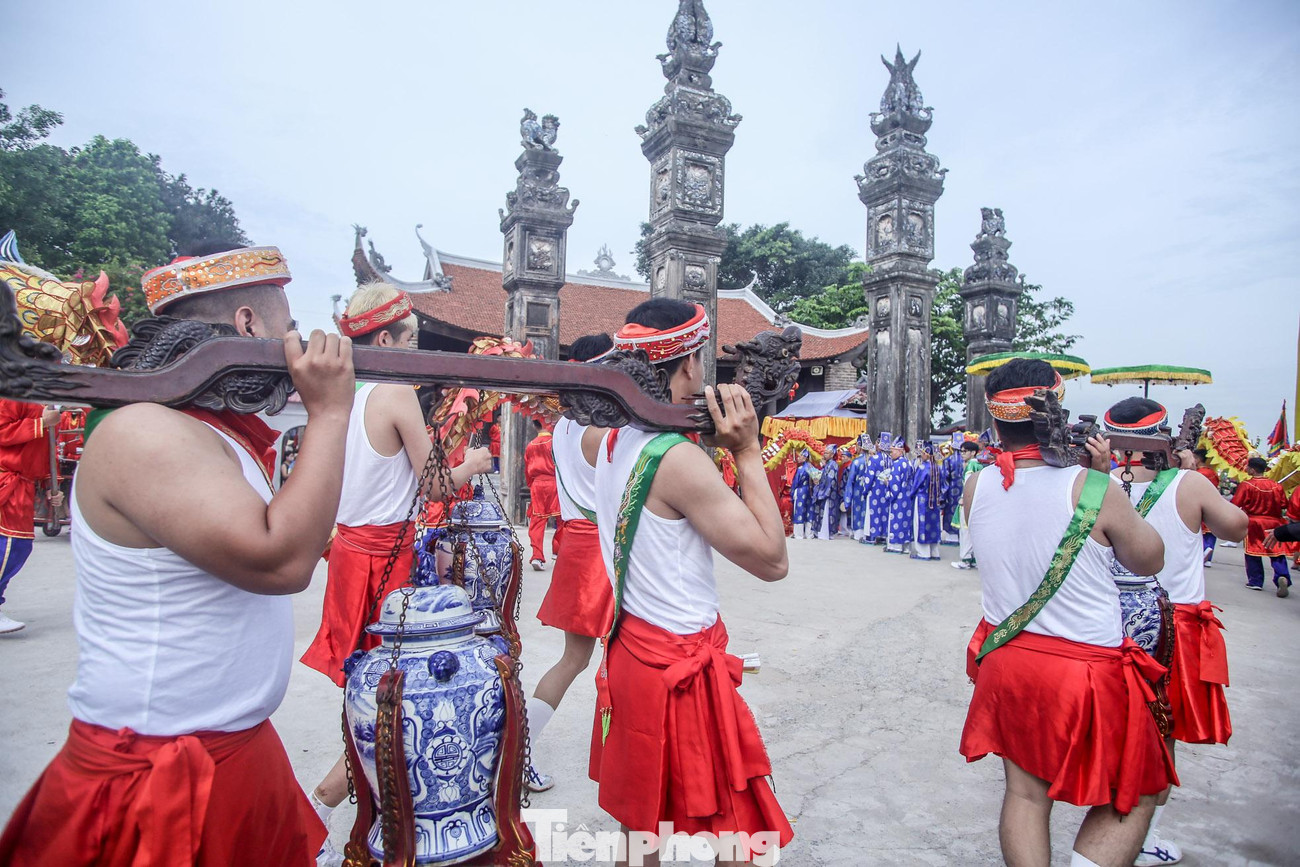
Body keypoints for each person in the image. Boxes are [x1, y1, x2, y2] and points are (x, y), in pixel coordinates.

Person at [0, 243, 352, 865]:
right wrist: (328, 413)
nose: (297, 345)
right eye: (289, 329)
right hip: (162, 772)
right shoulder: (147, 430)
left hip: (230, 751)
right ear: (247, 326)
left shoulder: (206, 431)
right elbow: (280, 561)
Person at [588, 298, 793, 866]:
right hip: (680, 664)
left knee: (642, 828)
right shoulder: (674, 457)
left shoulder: (609, 441)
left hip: (633, 650)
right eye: (699, 362)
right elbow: (772, 560)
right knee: (731, 832)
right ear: (686, 366)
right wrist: (749, 450)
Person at [959, 358, 1174, 867]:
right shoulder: (1093, 488)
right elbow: (1149, 559)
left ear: (995, 422)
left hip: (1008, 660)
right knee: (1138, 789)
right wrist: (1104, 482)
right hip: (1084, 667)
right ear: (1056, 412)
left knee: (1026, 796)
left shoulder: (978, 486)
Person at [301, 281, 490, 860]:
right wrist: (475, 462)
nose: (414, 350)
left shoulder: (338, 395)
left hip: (348, 553)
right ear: (385, 338)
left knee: (366, 679)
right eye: (410, 338)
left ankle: (357, 797)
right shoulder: (394, 390)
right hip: (388, 557)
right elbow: (433, 483)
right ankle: (328, 800)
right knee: (394, 689)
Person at [1100, 397, 1249, 866]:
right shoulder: (1188, 485)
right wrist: (1193, 473)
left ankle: (1112, 811)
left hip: (1107, 622)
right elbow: (1237, 528)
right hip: (1172, 626)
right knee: (1161, 736)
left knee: (1120, 727)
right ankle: (1142, 835)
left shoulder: (1095, 483)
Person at [529, 333, 616, 794]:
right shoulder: (604, 433)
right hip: (604, 549)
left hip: (577, 547)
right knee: (620, 661)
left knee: (573, 659)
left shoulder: (562, 426)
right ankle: (629, 757)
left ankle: (521, 749)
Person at [0, 398, 64, 633]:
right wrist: (40, 423)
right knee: (11, 545)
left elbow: (47, 447)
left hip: (23, 484)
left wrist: (51, 484)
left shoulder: (47, 401)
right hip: (7, 477)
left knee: (16, 546)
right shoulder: (13, 394)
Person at [1231, 456, 1295, 595]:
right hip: (1274, 522)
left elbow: (1236, 503)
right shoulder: (1276, 486)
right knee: (1276, 553)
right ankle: (1282, 576)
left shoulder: (1247, 485)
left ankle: (1256, 581)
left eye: (1248, 466)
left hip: (1254, 522)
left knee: (1252, 553)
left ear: (1252, 470)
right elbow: (1284, 504)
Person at [525, 417, 561, 571]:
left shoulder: (530, 445)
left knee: (537, 521)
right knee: (562, 519)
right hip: (555, 483)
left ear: (535, 426)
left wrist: (531, 485)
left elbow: (527, 470)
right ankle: (557, 550)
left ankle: (537, 556)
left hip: (537, 485)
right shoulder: (555, 442)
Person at [909, 440, 943, 561]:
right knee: (934, 524)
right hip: (935, 501)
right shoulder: (938, 468)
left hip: (922, 500)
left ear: (927, 454)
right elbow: (944, 485)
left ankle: (923, 552)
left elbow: (915, 485)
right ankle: (934, 552)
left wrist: (911, 495)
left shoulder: (923, 467)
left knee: (920, 525)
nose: (921, 455)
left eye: (922, 453)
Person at [952, 439, 981, 570]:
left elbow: (968, 484)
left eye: (965, 451)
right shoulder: (979, 465)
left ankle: (965, 559)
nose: (962, 454)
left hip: (967, 500)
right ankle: (973, 558)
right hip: (976, 501)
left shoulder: (970, 466)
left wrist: (963, 498)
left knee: (965, 530)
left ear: (973, 452)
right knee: (973, 530)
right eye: (961, 451)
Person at [862, 431, 893, 545]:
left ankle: (871, 536)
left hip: (874, 491)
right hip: (886, 490)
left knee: (873, 513)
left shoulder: (874, 459)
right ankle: (883, 535)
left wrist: (865, 491)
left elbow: (868, 478)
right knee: (884, 512)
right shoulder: (891, 460)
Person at [884, 440, 915, 554]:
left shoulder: (897, 464)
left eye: (892, 451)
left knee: (896, 520)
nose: (891, 453)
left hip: (898, 498)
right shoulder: (908, 463)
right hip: (907, 497)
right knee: (905, 521)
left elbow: (895, 484)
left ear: (900, 452)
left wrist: (888, 485)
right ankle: (906, 546)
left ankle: (895, 546)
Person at [840, 435, 872, 541]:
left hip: (858, 492)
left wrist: (847, 499)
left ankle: (858, 533)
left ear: (860, 446)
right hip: (870, 493)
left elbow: (850, 482)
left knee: (858, 512)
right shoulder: (873, 460)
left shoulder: (857, 462)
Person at [1192, 449, 1220, 566]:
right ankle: (1208, 556)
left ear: (1198, 459)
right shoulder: (1212, 473)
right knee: (1210, 532)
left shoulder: (1199, 473)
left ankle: (1202, 554)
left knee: (1200, 532)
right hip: (1213, 504)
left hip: (1200, 504)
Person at [811, 444, 841, 540]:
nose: (824, 454)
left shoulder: (833, 465)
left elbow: (830, 480)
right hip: (822, 491)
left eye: (827, 453)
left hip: (828, 493)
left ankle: (826, 533)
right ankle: (821, 532)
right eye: (824, 452)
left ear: (832, 455)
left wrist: (822, 491)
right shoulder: (827, 464)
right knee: (821, 513)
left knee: (827, 513)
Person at [790, 448, 814, 539]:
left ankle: (799, 534)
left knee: (799, 511)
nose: (798, 458)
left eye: (800, 456)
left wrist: (792, 493)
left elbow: (796, 482)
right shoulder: (811, 467)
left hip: (800, 491)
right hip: (809, 491)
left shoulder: (800, 469)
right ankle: (809, 534)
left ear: (804, 457)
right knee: (808, 511)